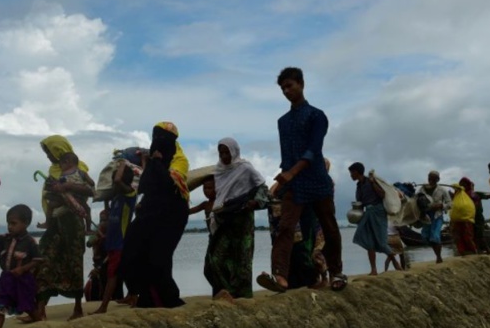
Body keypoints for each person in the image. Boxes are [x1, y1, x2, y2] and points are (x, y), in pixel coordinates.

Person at [258, 67, 346, 293]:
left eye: (290, 85)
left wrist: (291, 173)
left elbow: (313, 151)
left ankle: (336, 272)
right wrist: (281, 182)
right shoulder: (283, 121)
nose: (286, 91)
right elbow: (286, 156)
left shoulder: (317, 116)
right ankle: (280, 276)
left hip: (316, 180)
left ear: (301, 84)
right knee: (286, 228)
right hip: (294, 185)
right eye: (283, 88)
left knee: (329, 227)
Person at [120, 121, 190, 308]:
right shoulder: (152, 160)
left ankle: (168, 300)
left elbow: (169, 185)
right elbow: (145, 186)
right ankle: (145, 295)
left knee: (159, 259)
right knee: (131, 251)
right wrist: (150, 162)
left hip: (173, 213)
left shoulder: (179, 160)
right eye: (155, 136)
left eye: (163, 138)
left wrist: (158, 162)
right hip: (150, 212)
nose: (158, 141)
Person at [34, 135, 94, 321]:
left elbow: (88, 191)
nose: (48, 157)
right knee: (45, 260)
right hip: (55, 223)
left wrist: (65, 187)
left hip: (72, 222)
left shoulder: (78, 167)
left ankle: (77, 308)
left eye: (49, 152)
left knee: (74, 262)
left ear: (59, 151)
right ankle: (40, 310)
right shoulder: (54, 170)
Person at [203, 138, 268, 301]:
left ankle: (243, 296)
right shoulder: (218, 171)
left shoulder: (245, 168)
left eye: (227, 152)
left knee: (243, 257)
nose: (224, 156)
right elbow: (218, 194)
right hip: (224, 218)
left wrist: (255, 202)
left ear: (234, 152)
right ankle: (226, 291)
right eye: (221, 153)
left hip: (243, 218)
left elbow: (262, 187)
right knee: (215, 259)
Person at [91, 162, 137, 314]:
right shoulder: (116, 198)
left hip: (120, 243)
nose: (113, 182)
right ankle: (132, 296)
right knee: (123, 271)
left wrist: (122, 164)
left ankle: (103, 306)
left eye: (115, 179)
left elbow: (117, 181)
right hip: (112, 243)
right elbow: (109, 211)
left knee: (112, 275)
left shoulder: (130, 195)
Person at [349, 163, 399, 275]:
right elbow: (360, 203)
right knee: (368, 241)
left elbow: (382, 195)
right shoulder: (359, 185)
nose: (351, 175)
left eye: (352, 172)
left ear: (357, 172)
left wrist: (373, 183)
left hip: (378, 211)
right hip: (368, 213)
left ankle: (396, 263)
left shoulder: (370, 181)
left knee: (381, 242)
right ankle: (374, 270)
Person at [417, 171, 451, 264]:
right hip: (426, 216)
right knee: (425, 237)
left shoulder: (442, 190)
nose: (430, 180)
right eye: (429, 178)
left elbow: (449, 203)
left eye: (433, 178)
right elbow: (417, 200)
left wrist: (441, 206)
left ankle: (439, 257)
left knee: (435, 236)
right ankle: (437, 255)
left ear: (437, 180)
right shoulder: (422, 189)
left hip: (437, 216)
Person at [459, 177, 490, 255]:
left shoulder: (476, 194)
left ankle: (485, 250)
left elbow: (488, 196)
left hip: (478, 216)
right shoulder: (462, 195)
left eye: (465, 184)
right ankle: (477, 250)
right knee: (473, 235)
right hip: (470, 217)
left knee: (479, 234)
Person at [448, 182, 477, 256]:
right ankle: (462, 252)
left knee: (467, 236)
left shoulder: (467, 194)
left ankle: (473, 251)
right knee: (458, 237)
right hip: (457, 220)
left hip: (465, 220)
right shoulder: (456, 196)